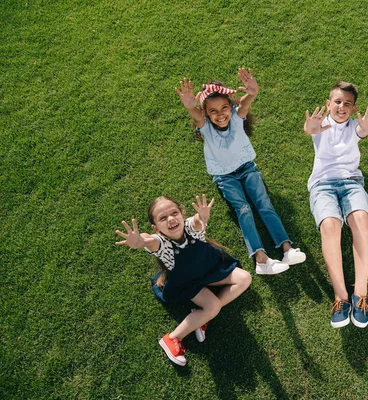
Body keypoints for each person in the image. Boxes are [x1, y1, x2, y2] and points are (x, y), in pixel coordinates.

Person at [175, 69, 306, 275]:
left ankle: (286, 248)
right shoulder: (205, 127)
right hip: (225, 177)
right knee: (243, 209)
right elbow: (196, 116)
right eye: (213, 111)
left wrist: (252, 93)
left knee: (264, 203)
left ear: (231, 106)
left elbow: (245, 104)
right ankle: (261, 259)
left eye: (224, 108)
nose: (220, 115)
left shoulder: (237, 118)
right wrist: (191, 106)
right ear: (206, 114)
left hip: (247, 169)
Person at [115, 194, 252, 366]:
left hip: (209, 270)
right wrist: (140, 241)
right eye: (163, 218)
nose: (170, 219)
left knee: (245, 278)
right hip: (188, 282)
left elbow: (196, 221)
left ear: (182, 213)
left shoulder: (191, 226)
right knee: (213, 306)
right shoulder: (161, 243)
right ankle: (172, 338)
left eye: (174, 213)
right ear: (156, 228)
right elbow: (148, 240)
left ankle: (203, 317)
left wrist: (202, 216)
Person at [303, 82, 368, 328]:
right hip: (322, 185)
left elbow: (363, 130)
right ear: (328, 104)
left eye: (347, 103)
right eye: (337, 101)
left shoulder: (353, 128)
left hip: (351, 183)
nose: (341, 107)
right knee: (330, 225)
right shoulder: (321, 126)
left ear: (353, 108)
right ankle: (341, 297)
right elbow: (311, 129)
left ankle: (360, 294)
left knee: (360, 218)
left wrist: (367, 127)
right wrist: (310, 126)